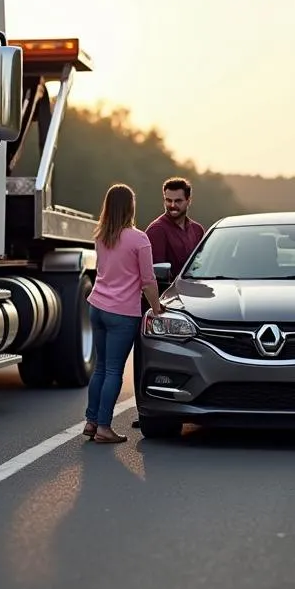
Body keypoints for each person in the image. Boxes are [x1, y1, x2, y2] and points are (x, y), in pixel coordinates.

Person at [83, 183, 164, 444]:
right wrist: (157, 308)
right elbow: (148, 280)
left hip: (97, 307)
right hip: (122, 313)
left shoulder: (101, 235)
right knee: (114, 371)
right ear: (131, 206)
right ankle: (104, 428)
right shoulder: (139, 238)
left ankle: (91, 421)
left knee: (100, 368)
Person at [131, 177, 207, 428]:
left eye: (177, 201)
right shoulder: (156, 230)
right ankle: (147, 411)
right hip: (163, 304)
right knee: (152, 357)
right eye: (168, 200)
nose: (172, 205)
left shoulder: (198, 230)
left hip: (194, 304)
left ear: (189, 200)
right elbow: (152, 273)